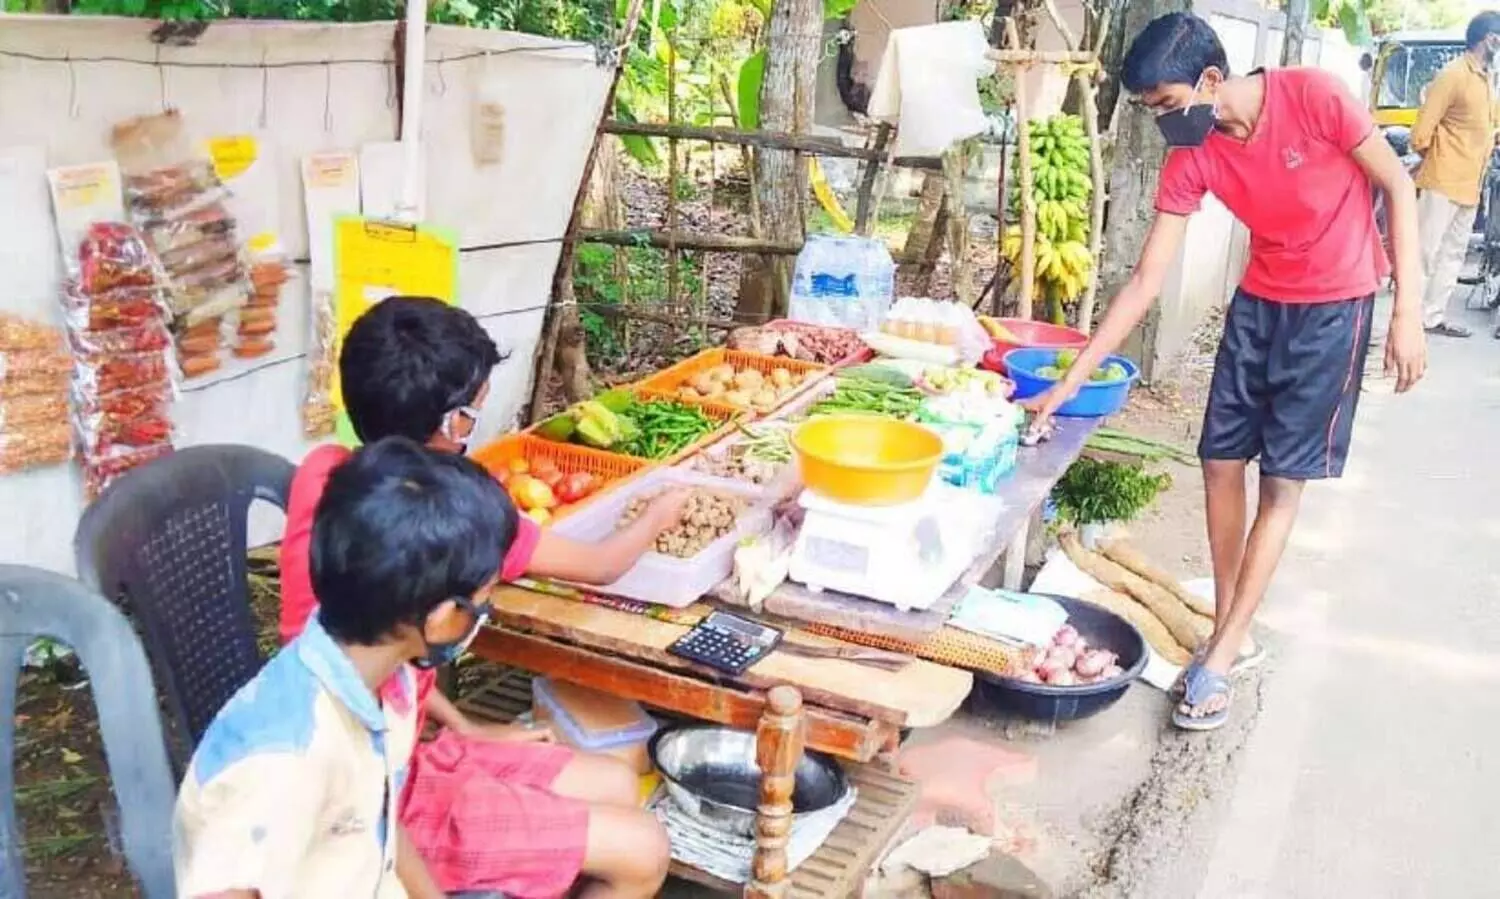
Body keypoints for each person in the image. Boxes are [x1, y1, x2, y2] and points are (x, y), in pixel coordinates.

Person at [1026, 13, 1427, 731]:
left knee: (1281, 480)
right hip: (1258, 305)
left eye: (1166, 103)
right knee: (1218, 462)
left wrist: (1408, 310)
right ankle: (1226, 623)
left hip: (1335, 309)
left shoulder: (1316, 96)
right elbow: (1146, 280)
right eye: (1151, 109)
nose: (1162, 121)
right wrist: (1071, 380)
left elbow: (1396, 184)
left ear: (1211, 80)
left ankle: (1224, 647)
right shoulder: (1195, 154)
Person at [278, 297, 678, 898]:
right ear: (449, 426)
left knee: (620, 786)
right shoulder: (452, 523)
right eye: (473, 413)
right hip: (377, 805)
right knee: (645, 848)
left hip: (403, 752)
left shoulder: (326, 476)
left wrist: (461, 724)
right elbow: (601, 564)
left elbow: (381, 666)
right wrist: (663, 509)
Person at [177, 438, 520, 897]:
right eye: (484, 597)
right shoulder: (283, 762)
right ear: (441, 618)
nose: (485, 611)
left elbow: (380, 821)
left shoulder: (388, 683)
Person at [1410, 10, 1500, 339]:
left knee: (1452, 255)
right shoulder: (1453, 74)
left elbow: (1491, 126)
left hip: (1470, 184)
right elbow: (1420, 134)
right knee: (1423, 252)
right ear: (1489, 39)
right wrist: (1439, 160)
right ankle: (1408, 319)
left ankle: (1432, 317)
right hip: (1442, 181)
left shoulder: (1488, 79)